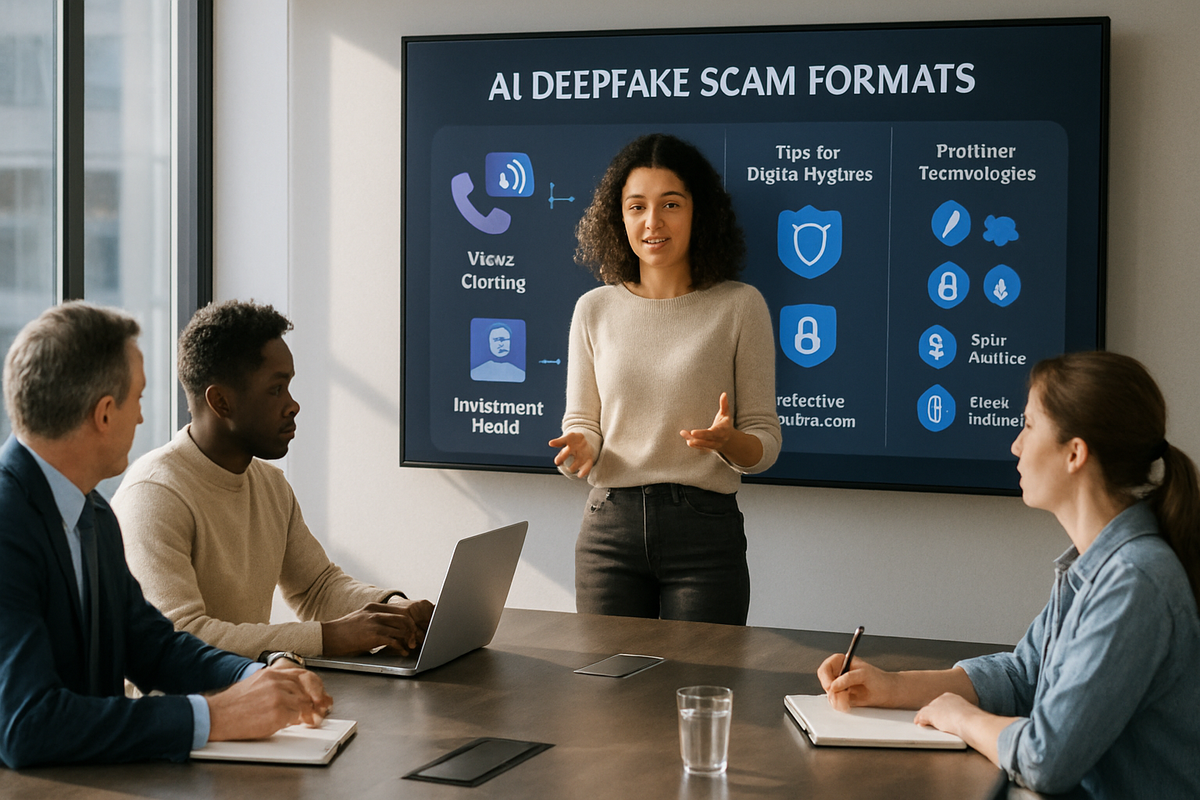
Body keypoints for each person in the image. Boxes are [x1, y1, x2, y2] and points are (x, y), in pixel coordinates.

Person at [817, 352, 1200, 798]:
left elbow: (1046, 759)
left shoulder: (1134, 582)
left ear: (1075, 453)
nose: (1016, 446)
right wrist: (893, 686)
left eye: (1029, 426)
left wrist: (962, 717)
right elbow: (1022, 676)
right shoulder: (1095, 567)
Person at [0, 302, 331, 768]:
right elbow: (28, 726)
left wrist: (258, 674)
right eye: (138, 399)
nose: (141, 419)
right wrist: (215, 716)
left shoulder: (92, 512)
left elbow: (153, 647)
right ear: (105, 413)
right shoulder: (7, 521)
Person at [112, 300, 433, 660]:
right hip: (181, 697)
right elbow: (181, 637)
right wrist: (328, 637)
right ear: (221, 402)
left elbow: (316, 588)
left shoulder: (270, 485)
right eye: (276, 389)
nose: (293, 405)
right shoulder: (154, 495)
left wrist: (394, 610)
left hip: (251, 688)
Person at [548, 133, 782, 625]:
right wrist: (581, 447)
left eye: (670, 204)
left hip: (705, 535)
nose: (652, 221)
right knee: (606, 677)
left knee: (698, 676)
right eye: (637, 207)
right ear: (619, 217)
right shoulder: (593, 309)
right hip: (608, 533)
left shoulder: (741, 306)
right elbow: (582, 423)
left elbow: (764, 444)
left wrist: (729, 442)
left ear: (699, 212)